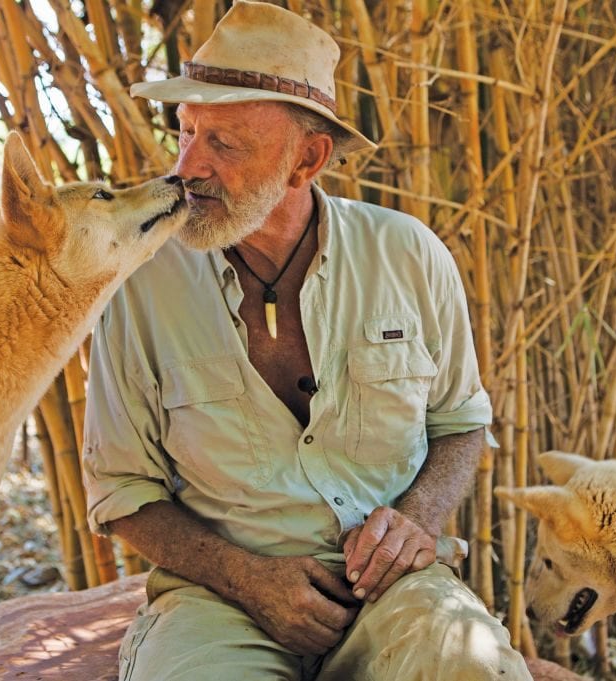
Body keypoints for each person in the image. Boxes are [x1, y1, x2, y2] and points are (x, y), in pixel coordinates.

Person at [82, 2, 532, 679]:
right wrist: (244, 576)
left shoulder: (407, 255)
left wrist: (417, 518)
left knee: (470, 666)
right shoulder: (142, 283)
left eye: (224, 143)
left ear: (307, 158)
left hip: (395, 593)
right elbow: (121, 490)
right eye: (187, 131)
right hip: (219, 601)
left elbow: (461, 423)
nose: (187, 166)